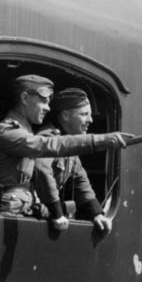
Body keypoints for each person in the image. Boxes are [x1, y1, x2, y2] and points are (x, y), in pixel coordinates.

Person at [0, 75, 130, 218]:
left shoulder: (26, 131)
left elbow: (80, 178)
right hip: (8, 213)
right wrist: (100, 140)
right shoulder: (8, 132)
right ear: (24, 98)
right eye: (43, 101)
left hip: (22, 209)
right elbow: (47, 147)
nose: (48, 108)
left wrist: (96, 213)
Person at [34, 88, 111, 233]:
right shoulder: (48, 138)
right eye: (84, 114)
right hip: (33, 215)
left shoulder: (69, 144)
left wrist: (97, 213)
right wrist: (57, 213)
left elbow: (80, 179)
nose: (90, 120)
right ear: (65, 115)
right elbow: (41, 169)